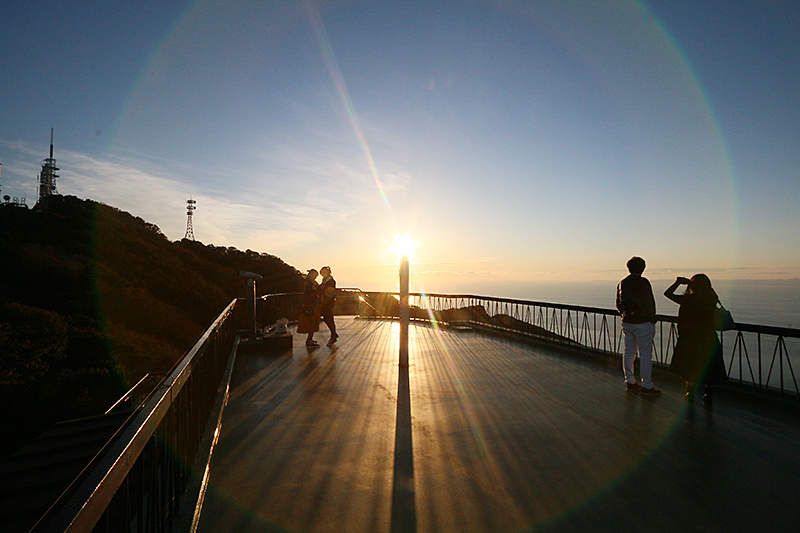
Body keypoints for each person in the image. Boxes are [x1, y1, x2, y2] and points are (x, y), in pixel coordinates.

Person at [664, 274, 728, 402]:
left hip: (691, 338)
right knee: (709, 366)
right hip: (709, 337)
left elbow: (668, 293)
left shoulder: (688, 299)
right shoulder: (711, 299)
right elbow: (711, 292)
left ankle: (690, 393)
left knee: (691, 366)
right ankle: (708, 393)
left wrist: (678, 283)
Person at [616, 256, 660, 395]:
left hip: (627, 322)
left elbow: (618, 303)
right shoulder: (643, 282)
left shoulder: (622, 283)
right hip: (643, 323)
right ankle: (647, 385)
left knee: (629, 352)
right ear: (643, 267)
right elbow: (648, 302)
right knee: (645, 354)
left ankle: (630, 382)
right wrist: (652, 317)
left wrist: (625, 314)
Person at [297, 269, 320, 347]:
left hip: (310, 304)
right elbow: (310, 294)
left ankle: (310, 339)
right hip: (311, 305)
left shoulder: (309, 283)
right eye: (315, 276)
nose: (316, 278)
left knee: (311, 323)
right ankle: (309, 340)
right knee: (311, 323)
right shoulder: (309, 284)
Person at [318, 266, 338, 346]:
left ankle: (333, 336)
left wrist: (326, 302)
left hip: (328, 303)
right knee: (327, 319)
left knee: (329, 319)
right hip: (325, 302)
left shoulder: (331, 281)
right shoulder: (325, 280)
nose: (323, 274)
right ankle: (334, 334)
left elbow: (330, 293)